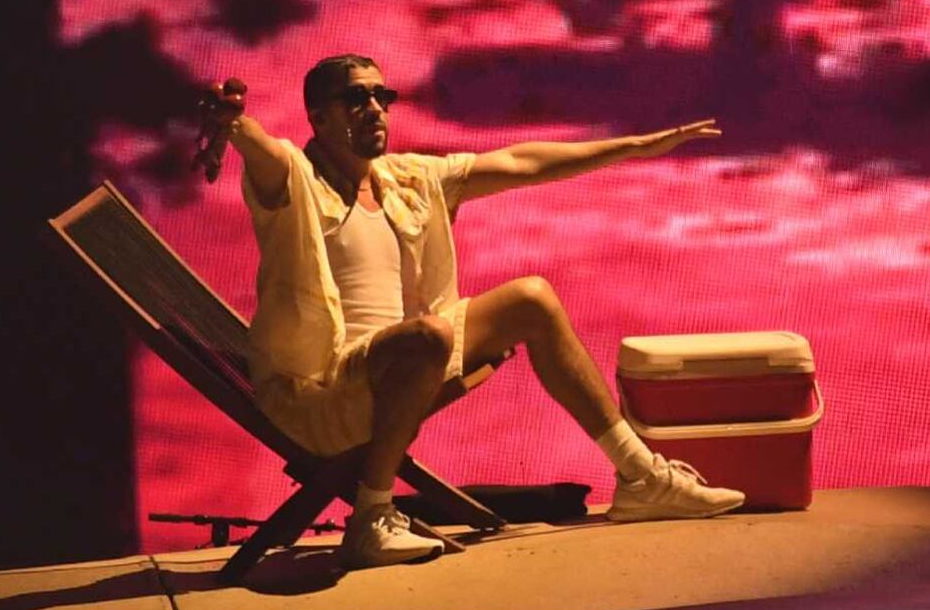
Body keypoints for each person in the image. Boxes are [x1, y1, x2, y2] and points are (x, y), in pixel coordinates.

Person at [205, 53, 744, 569]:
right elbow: (266, 153)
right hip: (322, 398)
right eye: (355, 98)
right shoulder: (296, 179)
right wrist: (237, 125)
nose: (374, 109)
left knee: (531, 299)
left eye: (381, 97)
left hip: (400, 369)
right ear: (318, 117)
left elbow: (521, 162)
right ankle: (371, 517)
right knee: (430, 335)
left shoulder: (406, 180)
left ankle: (641, 476)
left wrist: (636, 146)